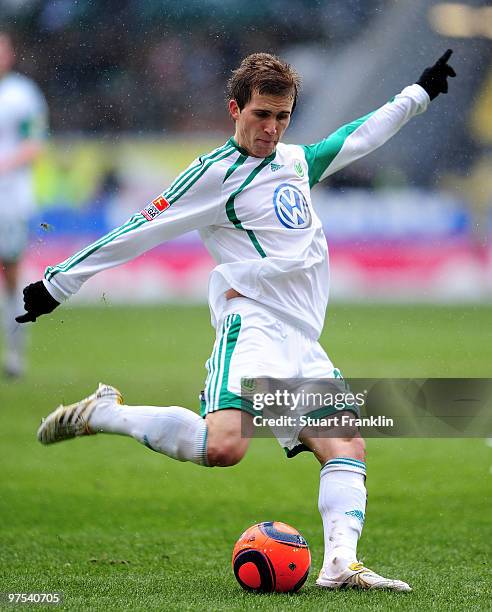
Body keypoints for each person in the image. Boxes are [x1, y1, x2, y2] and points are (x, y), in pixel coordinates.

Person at [17, 50, 455, 591]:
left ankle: (341, 563)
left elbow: (356, 136)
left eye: (282, 118)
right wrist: (59, 283)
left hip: (302, 337)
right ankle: (106, 414)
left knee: (346, 446)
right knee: (224, 447)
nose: (271, 129)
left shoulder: (295, 162)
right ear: (235, 109)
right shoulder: (212, 176)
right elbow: (138, 228)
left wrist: (418, 94)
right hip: (253, 325)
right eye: (261, 116)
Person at [0, 31, 48, 378]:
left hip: (9, 198)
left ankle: (15, 353)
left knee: (10, 273)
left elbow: (36, 143)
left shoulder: (22, 94)